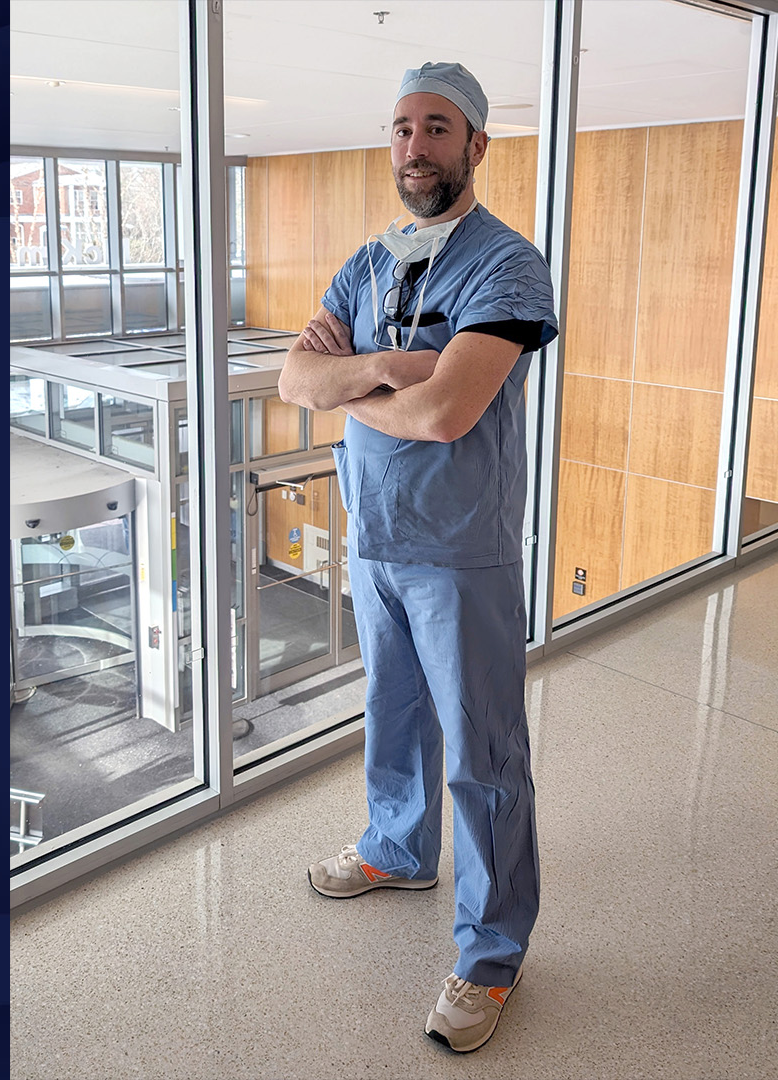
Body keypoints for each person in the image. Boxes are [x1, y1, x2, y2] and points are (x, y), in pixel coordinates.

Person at [277, 62, 558, 1054]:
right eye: (401, 128)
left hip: (459, 549)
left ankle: (491, 954)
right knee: (392, 714)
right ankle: (399, 851)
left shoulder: (507, 266)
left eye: (437, 129)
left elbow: (447, 413)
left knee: (484, 754)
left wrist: (352, 381)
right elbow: (293, 376)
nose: (415, 148)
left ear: (476, 144)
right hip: (378, 538)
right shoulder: (368, 260)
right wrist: (393, 365)